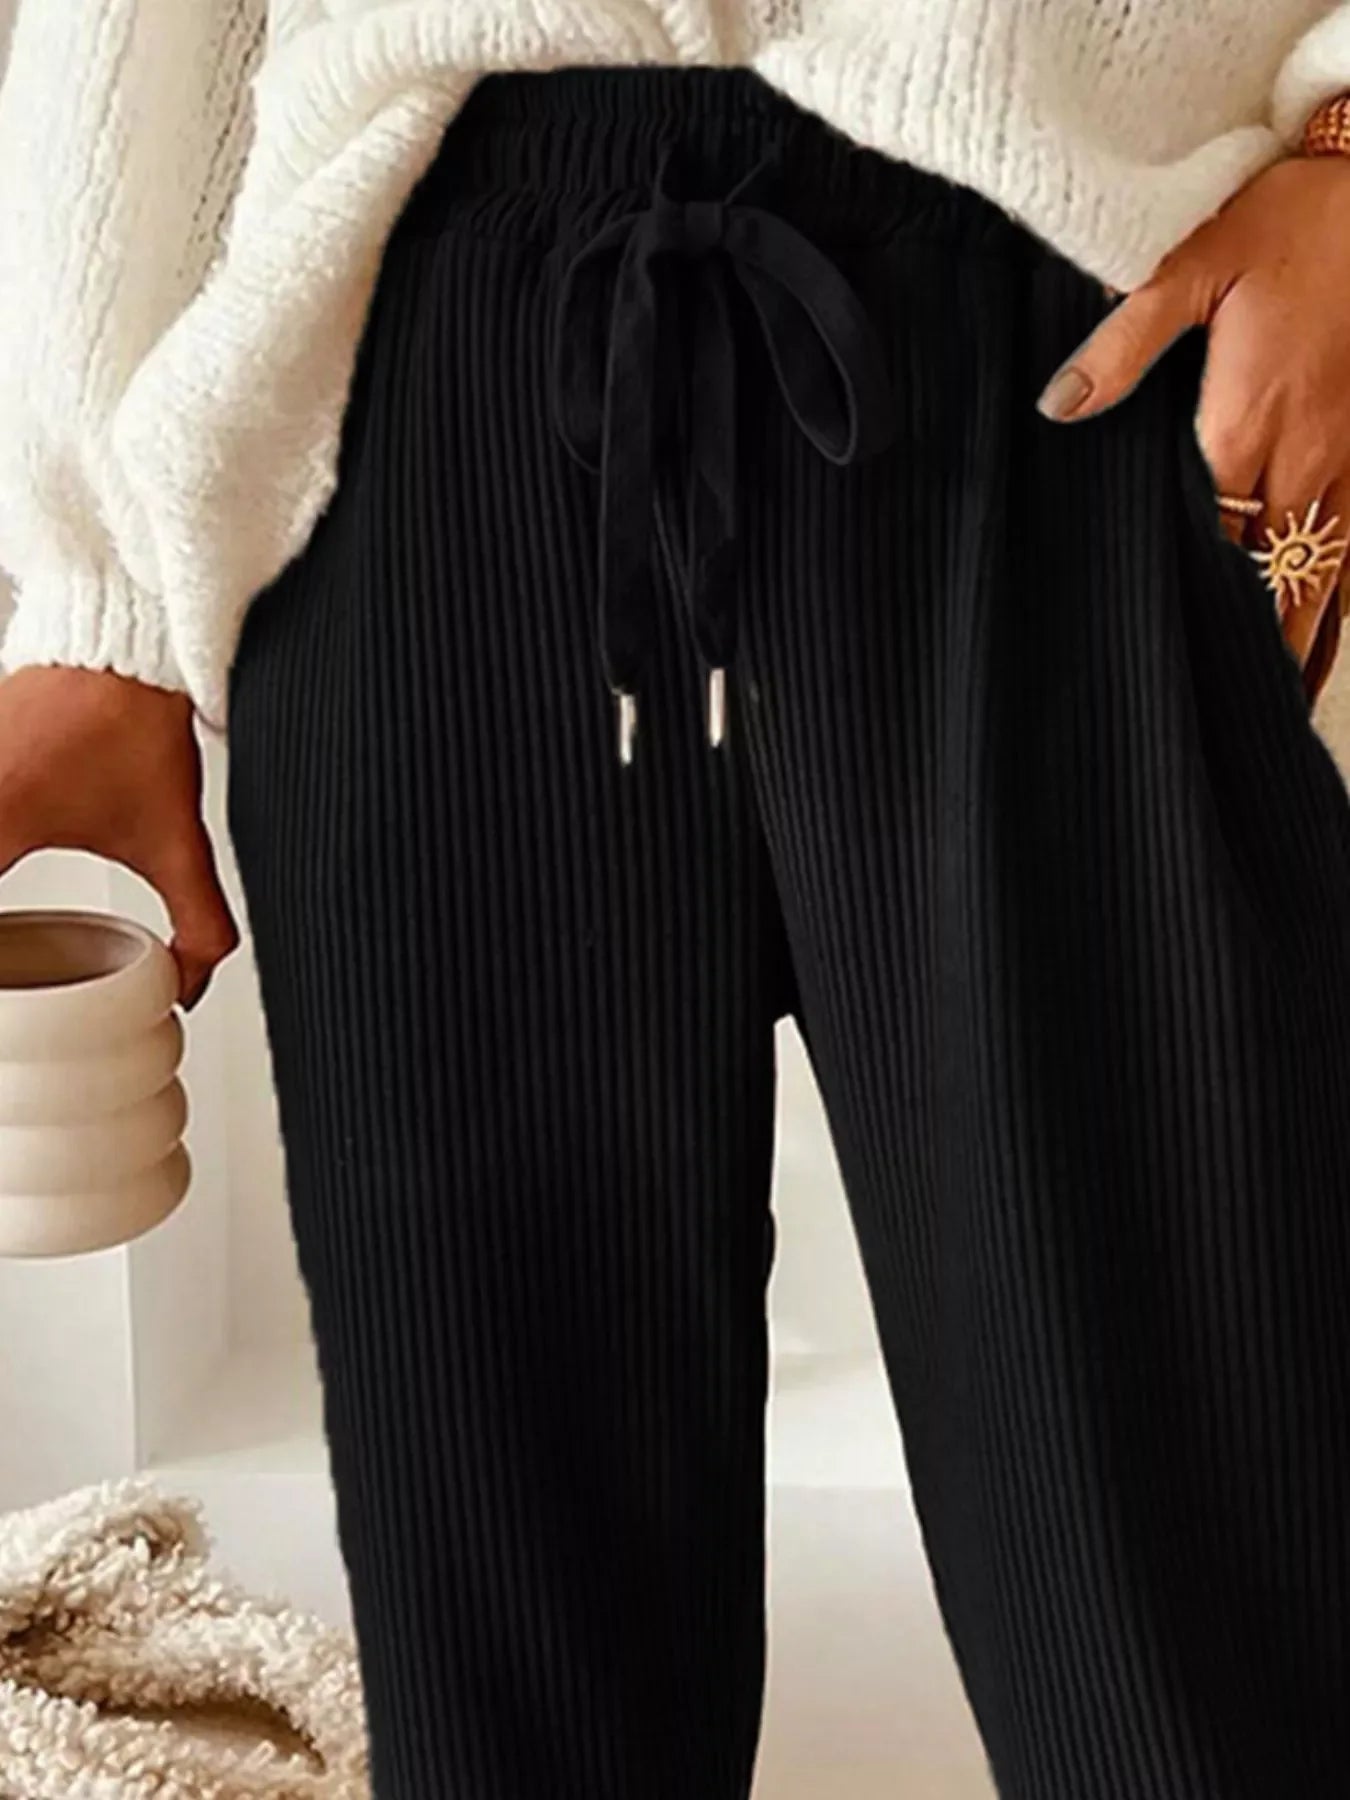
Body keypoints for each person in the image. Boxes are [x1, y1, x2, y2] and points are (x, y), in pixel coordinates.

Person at [1, 5, 1349, 1796]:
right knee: (515, 1668)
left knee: (1195, 1620)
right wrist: (92, 603)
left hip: (1076, 322)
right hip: (434, 366)